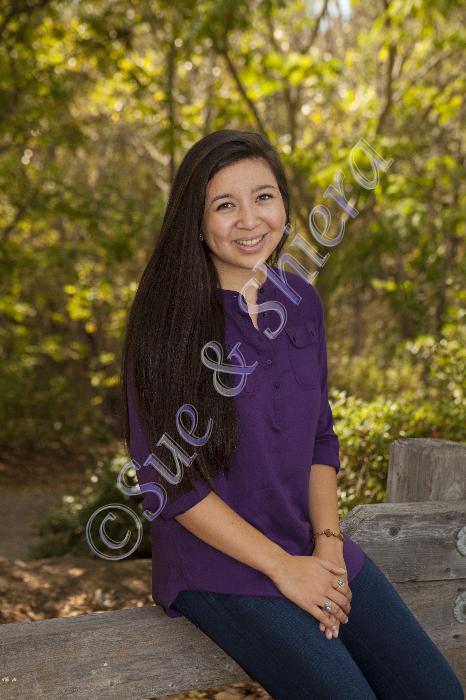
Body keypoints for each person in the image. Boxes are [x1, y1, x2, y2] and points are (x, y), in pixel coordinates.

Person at [121, 130, 463, 699]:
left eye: (264, 196)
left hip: (306, 542)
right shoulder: (168, 322)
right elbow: (170, 484)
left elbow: (319, 439)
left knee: (435, 692)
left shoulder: (300, 302)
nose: (249, 219)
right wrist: (284, 568)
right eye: (224, 205)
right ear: (195, 221)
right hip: (218, 564)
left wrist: (327, 547)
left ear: (283, 202)